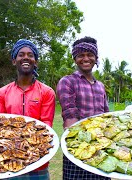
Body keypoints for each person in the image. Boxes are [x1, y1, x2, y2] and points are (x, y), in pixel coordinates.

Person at [0, 39, 56, 179]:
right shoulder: (2, 92)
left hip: (38, 163)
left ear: (35, 62)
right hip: (9, 163)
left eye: (30, 55)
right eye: (21, 55)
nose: (26, 57)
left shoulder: (47, 92)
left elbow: (46, 127)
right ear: (14, 61)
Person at [56, 36, 110, 180]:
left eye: (90, 55)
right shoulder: (67, 82)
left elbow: (106, 117)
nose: (86, 59)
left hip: (101, 150)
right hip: (77, 149)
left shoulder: (100, 86)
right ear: (75, 58)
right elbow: (70, 119)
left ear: (96, 57)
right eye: (81, 55)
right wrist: (84, 148)